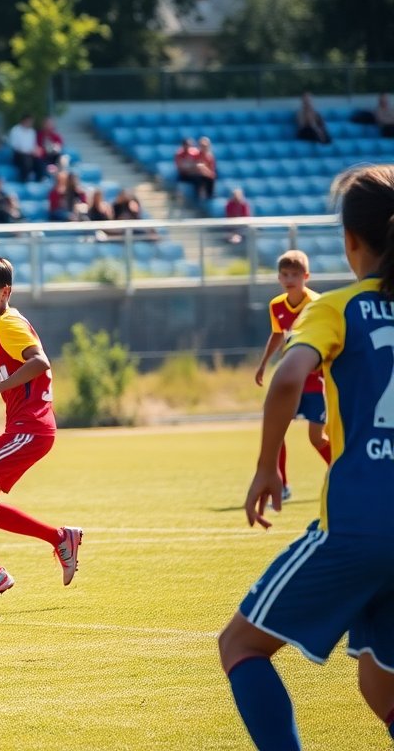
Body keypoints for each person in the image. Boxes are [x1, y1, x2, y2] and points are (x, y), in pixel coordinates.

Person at [219, 163, 394, 751]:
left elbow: (291, 375)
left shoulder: (339, 306)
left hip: (359, 523)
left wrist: (268, 465)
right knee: (380, 684)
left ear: (350, 241)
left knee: (240, 645)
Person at [0, 254, 81, 607]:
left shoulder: (8, 323)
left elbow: (39, 362)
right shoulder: (2, 324)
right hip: (32, 431)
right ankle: (60, 538)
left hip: (29, 431)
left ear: (5, 292)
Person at [252, 250, 332, 505]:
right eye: (285, 274)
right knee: (278, 431)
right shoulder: (277, 305)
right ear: (278, 277)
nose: (289, 279)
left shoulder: (317, 304)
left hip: (316, 381)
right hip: (292, 381)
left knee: (316, 438)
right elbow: (278, 334)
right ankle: (282, 483)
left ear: (306, 276)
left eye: (295, 275)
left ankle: (342, 473)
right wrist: (264, 364)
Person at [8, 115, 44, 183]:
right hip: (19, 154)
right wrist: (27, 151)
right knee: (26, 162)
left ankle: (39, 182)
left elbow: (33, 145)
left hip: (30, 154)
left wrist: (35, 151)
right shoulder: (15, 130)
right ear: (23, 121)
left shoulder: (32, 132)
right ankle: (24, 181)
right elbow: (15, 146)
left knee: (39, 163)